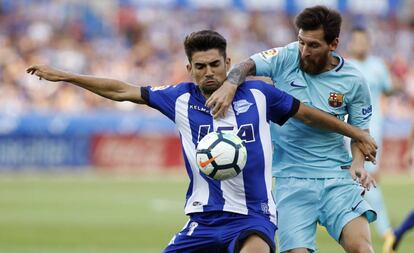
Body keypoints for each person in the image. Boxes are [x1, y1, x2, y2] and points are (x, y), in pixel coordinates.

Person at [26, 30, 377, 253]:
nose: (208, 72)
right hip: (203, 220)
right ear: (189, 68)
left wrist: (356, 132)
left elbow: (307, 114)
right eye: (200, 66)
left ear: (228, 63)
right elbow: (121, 90)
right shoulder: (177, 98)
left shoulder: (258, 94)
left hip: (253, 216)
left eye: (214, 64)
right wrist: (66, 76)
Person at [205, 6, 378, 253]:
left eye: (313, 45)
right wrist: (230, 85)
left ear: (334, 44)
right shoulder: (286, 56)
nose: (304, 51)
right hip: (291, 179)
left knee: (362, 249)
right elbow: (245, 65)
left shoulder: (354, 80)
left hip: (337, 177)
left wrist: (358, 164)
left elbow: (361, 132)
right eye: (301, 42)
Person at [347, 27, 395, 243]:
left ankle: (383, 229)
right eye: (357, 41)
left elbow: (388, 88)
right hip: (350, 131)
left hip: (375, 130)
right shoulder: (346, 67)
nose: (361, 45)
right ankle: (385, 231)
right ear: (351, 43)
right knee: (358, 178)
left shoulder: (378, 66)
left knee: (367, 178)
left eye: (364, 41)